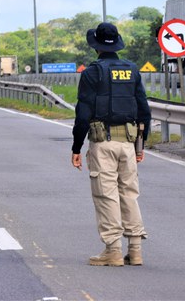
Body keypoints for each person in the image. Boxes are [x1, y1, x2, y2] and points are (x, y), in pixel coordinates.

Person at [71, 22, 152, 267]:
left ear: (95, 45)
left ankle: (113, 251)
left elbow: (83, 113)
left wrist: (76, 147)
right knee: (129, 194)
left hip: (102, 142)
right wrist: (140, 147)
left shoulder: (92, 72)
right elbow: (144, 111)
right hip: (128, 143)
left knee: (106, 195)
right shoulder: (131, 70)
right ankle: (135, 251)